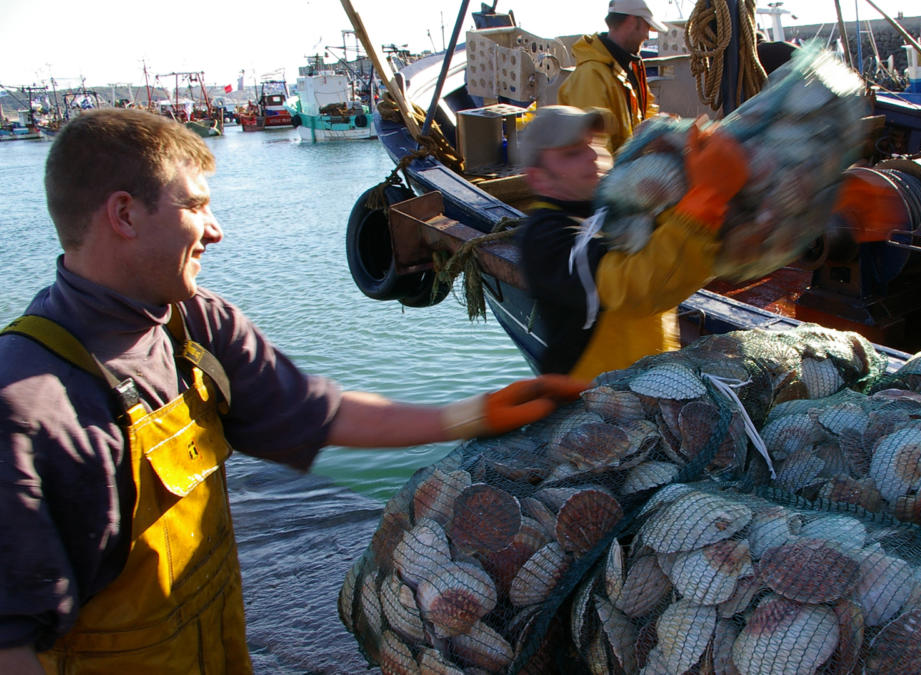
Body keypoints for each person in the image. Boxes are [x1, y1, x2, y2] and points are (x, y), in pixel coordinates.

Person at [0, 108, 588, 674]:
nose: (216, 230)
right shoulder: (27, 404)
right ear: (123, 215)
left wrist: (475, 414)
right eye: (195, 206)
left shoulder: (196, 326)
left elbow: (319, 414)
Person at [517, 105, 748, 380]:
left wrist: (672, 164)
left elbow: (676, 257)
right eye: (573, 153)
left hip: (649, 382)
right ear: (538, 178)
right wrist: (707, 197)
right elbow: (634, 287)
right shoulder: (545, 238)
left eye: (594, 144)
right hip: (591, 400)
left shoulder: (613, 211)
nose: (593, 156)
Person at [557, 0, 668, 154]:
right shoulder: (591, 75)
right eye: (646, 27)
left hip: (631, 168)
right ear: (631, 21)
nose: (647, 35)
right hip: (616, 174)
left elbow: (646, 112)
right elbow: (595, 155)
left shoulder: (631, 65)